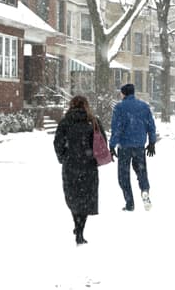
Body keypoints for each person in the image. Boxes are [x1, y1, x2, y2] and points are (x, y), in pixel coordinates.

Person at [53, 95, 104, 244]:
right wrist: (94, 157)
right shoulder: (93, 122)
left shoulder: (65, 122)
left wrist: (63, 157)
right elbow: (102, 142)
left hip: (71, 165)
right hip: (89, 165)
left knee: (73, 197)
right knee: (86, 198)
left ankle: (77, 224)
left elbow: (57, 142)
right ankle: (80, 229)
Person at [109, 82, 158, 211]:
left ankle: (129, 203)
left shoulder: (119, 108)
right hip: (139, 146)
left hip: (124, 146)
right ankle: (145, 190)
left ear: (123, 93)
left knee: (123, 176)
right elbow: (151, 126)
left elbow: (116, 128)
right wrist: (152, 142)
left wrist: (112, 146)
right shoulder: (144, 106)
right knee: (141, 171)